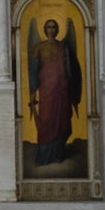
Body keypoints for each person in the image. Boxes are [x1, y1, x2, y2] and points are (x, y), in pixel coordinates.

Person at [27, 14, 82, 166]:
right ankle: (44, 156)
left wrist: (73, 92)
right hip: (46, 90)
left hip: (61, 90)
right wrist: (32, 93)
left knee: (62, 120)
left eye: (54, 27)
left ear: (57, 30)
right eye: (48, 27)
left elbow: (73, 70)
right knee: (46, 119)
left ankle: (59, 154)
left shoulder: (63, 47)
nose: (51, 30)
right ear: (44, 30)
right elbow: (33, 71)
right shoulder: (39, 47)